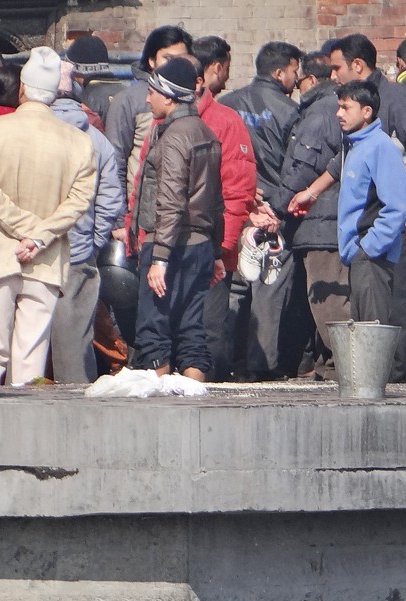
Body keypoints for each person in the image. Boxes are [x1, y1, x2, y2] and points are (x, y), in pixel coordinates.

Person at [0, 47, 96, 387]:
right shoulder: (80, 143)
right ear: (54, 94)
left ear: (21, 88)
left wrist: (26, 231)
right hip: (46, 258)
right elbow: (80, 201)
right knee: (31, 353)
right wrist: (39, 236)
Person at [321, 34, 406, 384]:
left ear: (357, 65)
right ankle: (375, 387)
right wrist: (308, 193)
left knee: (395, 317)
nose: (333, 77)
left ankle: (401, 389)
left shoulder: (394, 103)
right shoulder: (356, 137)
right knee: (371, 326)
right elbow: (339, 166)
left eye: (337, 68)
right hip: (362, 249)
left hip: (389, 238)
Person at [130, 57, 223, 380]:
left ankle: (162, 414)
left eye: (152, 91)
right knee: (191, 333)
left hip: (170, 246)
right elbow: (216, 198)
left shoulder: (173, 137)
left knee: (153, 334)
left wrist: (159, 259)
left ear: (169, 97)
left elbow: (170, 201)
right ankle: (192, 407)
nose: (147, 97)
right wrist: (217, 252)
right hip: (200, 247)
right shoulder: (206, 132)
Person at [221, 41, 303, 379]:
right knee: (268, 288)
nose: (298, 79)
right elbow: (294, 167)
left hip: (236, 207)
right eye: (296, 71)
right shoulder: (289, 111)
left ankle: (223, 361)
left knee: (233, 286)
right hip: (271, 213)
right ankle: (262, 364)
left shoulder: (226, 106)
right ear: (280, 72)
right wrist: (280, 208)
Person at [48, 60, 125, 384]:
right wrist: (91, 241)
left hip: (25, 252)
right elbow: (111, 200)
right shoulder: (97, 140)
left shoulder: (23, 132)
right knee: (75, 342)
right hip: (78, 252)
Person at [272, 54, 345, 379]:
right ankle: (327, 366)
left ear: (312, 81)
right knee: (325, 299)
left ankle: (342, 368)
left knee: (326, 300)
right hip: (327, 221)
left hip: (320, 223)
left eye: (299, 81)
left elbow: (301, 168)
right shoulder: (334, 109)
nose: (296, 87)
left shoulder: (319, 115)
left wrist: (276, 208)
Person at [192, 38, 259, 380]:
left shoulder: (225, 121)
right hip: (168, 248)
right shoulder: (159, 121)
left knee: (209, 330)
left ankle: (213, 394)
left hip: (210, 246)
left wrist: (224, 247)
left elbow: (238, 189)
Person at [337, 79, 406, 324]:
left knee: (373, 338)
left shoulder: (380, 146)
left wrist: (369, 248)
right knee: (361, 339)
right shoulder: (356, 146)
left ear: (367, 112)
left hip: (372, 258)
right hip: (359, 258)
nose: (339, 114)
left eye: (346, 107)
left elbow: (397, 205)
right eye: (339, 107)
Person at [105, 26, 193, 194]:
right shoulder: (129, 100)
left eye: (182, 60)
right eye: (168, 58)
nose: (174, 66)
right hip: (140, 205)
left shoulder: (194, 99)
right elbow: (116, 160)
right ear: (152, 61)